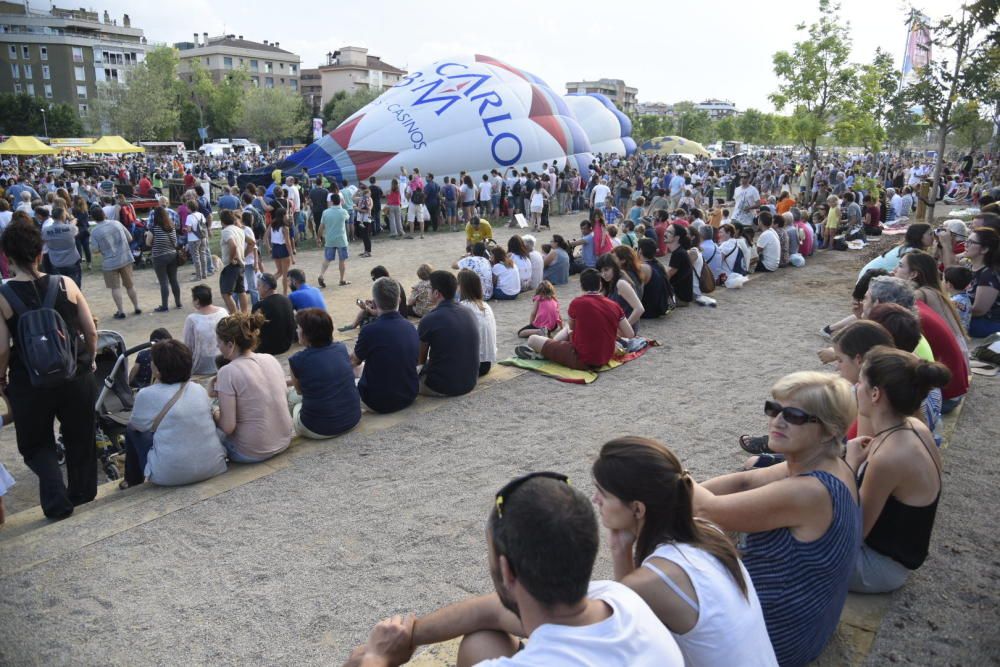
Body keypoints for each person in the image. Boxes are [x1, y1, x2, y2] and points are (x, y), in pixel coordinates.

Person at [349, 473, 684, 667]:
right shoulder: (622, 599)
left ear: (507, 571)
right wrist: (409, 636)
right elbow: (490, 610)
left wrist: (375, 658)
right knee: (481, 640)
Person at [692, 372, 861, 667]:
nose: (777, 420)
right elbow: (743, 483)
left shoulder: (811, 490)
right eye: (773, 408)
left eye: (794, 415)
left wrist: (663, 472)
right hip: (807, 623)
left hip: (775, 640)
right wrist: (681, 492)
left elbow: (709, 510)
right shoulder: (824, 463)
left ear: (829, 430)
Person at [593, 437, 778, 667]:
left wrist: (619, 550)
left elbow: (623, 639)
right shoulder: (708, 533)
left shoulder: (655, 579)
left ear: (638, 508)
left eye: (602, 493)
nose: (595, 499)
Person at [0, 220, 98, 520]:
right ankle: (82, 493)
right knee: (80, 434)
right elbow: (90, 331)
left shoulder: (3, 296)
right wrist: (90, 359)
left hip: (29, 379)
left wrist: (1, 378)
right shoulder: (66, 285)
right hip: (74, 371)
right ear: (39, 253)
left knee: (35, 443)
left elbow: (3, 348)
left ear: (8, 258)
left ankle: (56, 499)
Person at [846, 347, 950, 593]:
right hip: (892, 556)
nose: (854, 388)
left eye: (859, 382)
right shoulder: (914, 426)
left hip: (877, 567)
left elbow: (854, 532)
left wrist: (851, 466)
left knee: (785, 537)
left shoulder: (889, 458)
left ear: (875, 394)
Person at [121, 339, 227, 488]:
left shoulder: (146, 394)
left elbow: (139, 427)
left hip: (168, 476)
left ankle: (132, 481)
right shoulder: (198, 389)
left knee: (131, 430)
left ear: (158, 370)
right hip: (214, 466)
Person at [212, 312, 293, 463]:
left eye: (219, 342)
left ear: (230, 344)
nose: (218, 346)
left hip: (252, 451)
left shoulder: (227, 371)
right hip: (284, 439)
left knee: (212, 420)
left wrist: (215, 413)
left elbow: (228, 427)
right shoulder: (270, 358)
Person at [516, 268, 634, 369]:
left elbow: (572, 330)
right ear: (600, 284)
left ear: (581, 285)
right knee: (571, 329)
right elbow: (630, 334)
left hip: (582, 358)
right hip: (605, 355)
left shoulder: (577, 303)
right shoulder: (614, 305)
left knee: (532, 339)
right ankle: (550, 349)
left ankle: (547, 351)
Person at [287, 308, 361, 439]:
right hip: (353, 419)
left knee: (293, 398)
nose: (297, 331)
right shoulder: (341, 348)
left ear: (306, 334)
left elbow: (299, 391)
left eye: (299, 328)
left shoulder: (296, 360)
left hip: (318, 429)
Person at [351, 277, 419, 413]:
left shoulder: (369, 330)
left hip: (377, 402)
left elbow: (353, 362)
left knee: (351, 374)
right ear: (399, 301)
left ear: (375, 304)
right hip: (409, 395)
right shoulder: (410, 327)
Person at [417, 270, 480, 397]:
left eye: (429, 288)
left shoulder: (429, 319)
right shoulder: (468, 311)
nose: (428, 291)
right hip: (470, 381)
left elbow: (419, 360)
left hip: (443, 387)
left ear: (436, 293)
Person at [89, 207, 141, 319]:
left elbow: (95, 250)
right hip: (125, 257)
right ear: (104, 214)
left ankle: (121, 311)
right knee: (130, 285)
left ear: (93, 218)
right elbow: (130, 238)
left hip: (109, 262)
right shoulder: (117, 223)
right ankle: (136, 307)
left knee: (115, 288)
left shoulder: (95, 232)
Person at [456, 268, 498, 377]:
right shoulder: (485, 305)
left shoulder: (462, 307)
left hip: (471, 365)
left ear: (461, 287)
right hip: (486, 363)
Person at [962, 227, 1000, 337]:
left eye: (971, 242)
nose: (965, 244)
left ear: (984, 249)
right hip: (972, 319)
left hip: (988, 324)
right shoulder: (970, 266)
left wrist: (950, 310)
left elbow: (979, 310)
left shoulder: (989, 274)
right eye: (966, 240)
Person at [183, 285, 229, 375]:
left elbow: (188, 345)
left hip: (202, 365)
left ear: (197, 301)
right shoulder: (223, 312)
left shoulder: (192, 319)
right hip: (224, 358)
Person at [251, 273, 296, 356]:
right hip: (287, 343)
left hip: (269, 348)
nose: (257, 288)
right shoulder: (286, 299)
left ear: (266, 287)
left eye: (259, 285)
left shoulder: (259, 305)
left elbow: (252, 328)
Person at [146, 207, 182, 312]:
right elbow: (175, 243)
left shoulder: (154, 229)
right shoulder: (171, 227)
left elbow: (148, 243)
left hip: (159, 257)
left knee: (163, 282)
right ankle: (178, 303)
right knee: (174, 280)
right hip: (172, 255)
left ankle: (165, 306)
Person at [597, 253, 644, 329]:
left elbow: (639, 309)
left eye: (606, 270)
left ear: (614, 267)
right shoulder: (611, 281)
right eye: (600, 271)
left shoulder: (621, 283)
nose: (603, 274)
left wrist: (625, 328)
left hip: (624, 329)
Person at [41, 207, 81, 287]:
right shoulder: (71, 228)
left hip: (56, 261)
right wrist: (72, 222)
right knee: (75, 286)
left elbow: (43, 241)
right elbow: (75, 232)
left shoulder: (45, 230)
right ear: (63, 216)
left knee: (60, 287)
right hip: (71, 260)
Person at [218, 209, 248, 314]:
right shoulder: (239, 230)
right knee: (241, 290)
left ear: (222, 221)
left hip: (231, 265)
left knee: (226, 293)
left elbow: (233, 245)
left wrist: (231, 259)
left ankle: (235, 315)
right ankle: (245, 314)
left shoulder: (226, 231)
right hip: (240, 264)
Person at [319, 193, 351, 288]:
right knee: (342, 260)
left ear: (331, 201)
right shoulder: (343, 212)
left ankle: (321, 275)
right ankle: (341, 280)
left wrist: (318, 237)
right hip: (341, 239)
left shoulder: (325, 212)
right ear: (340, 201)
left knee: (327, 259)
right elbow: (347, 219)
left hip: (330, 239)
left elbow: (321, 227)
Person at [637, 237, 673, 318]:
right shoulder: (659, 265)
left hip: (649, 311)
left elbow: (638, 291)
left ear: (640, 251)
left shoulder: (643, 267)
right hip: (661, 307)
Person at [266, 206, 295, 294]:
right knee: (285, 274)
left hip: (275, 248)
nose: (287, 216)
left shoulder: (272, 225)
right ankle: (285, 294)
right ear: (283, 215)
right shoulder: (285, 228)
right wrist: (292, 257)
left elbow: (265, 237)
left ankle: (267, 285)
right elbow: (288, 243)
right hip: (283, 249)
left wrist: (269, 248)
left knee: (279, 272)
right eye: (286, 214)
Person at [665, 223, 694, 305]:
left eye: (669, 232)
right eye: (666, 231)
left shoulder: (679, 253)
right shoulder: (679, 251)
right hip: (681, 295)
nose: (665, 234)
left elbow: (668, 275)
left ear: (677, 237)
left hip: (679, 298)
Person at [943, 265, 974, 332]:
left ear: (949, 285)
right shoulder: (965, 297)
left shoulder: (954, 301)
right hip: (963, 333)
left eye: (943, 280)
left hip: (955, 333)